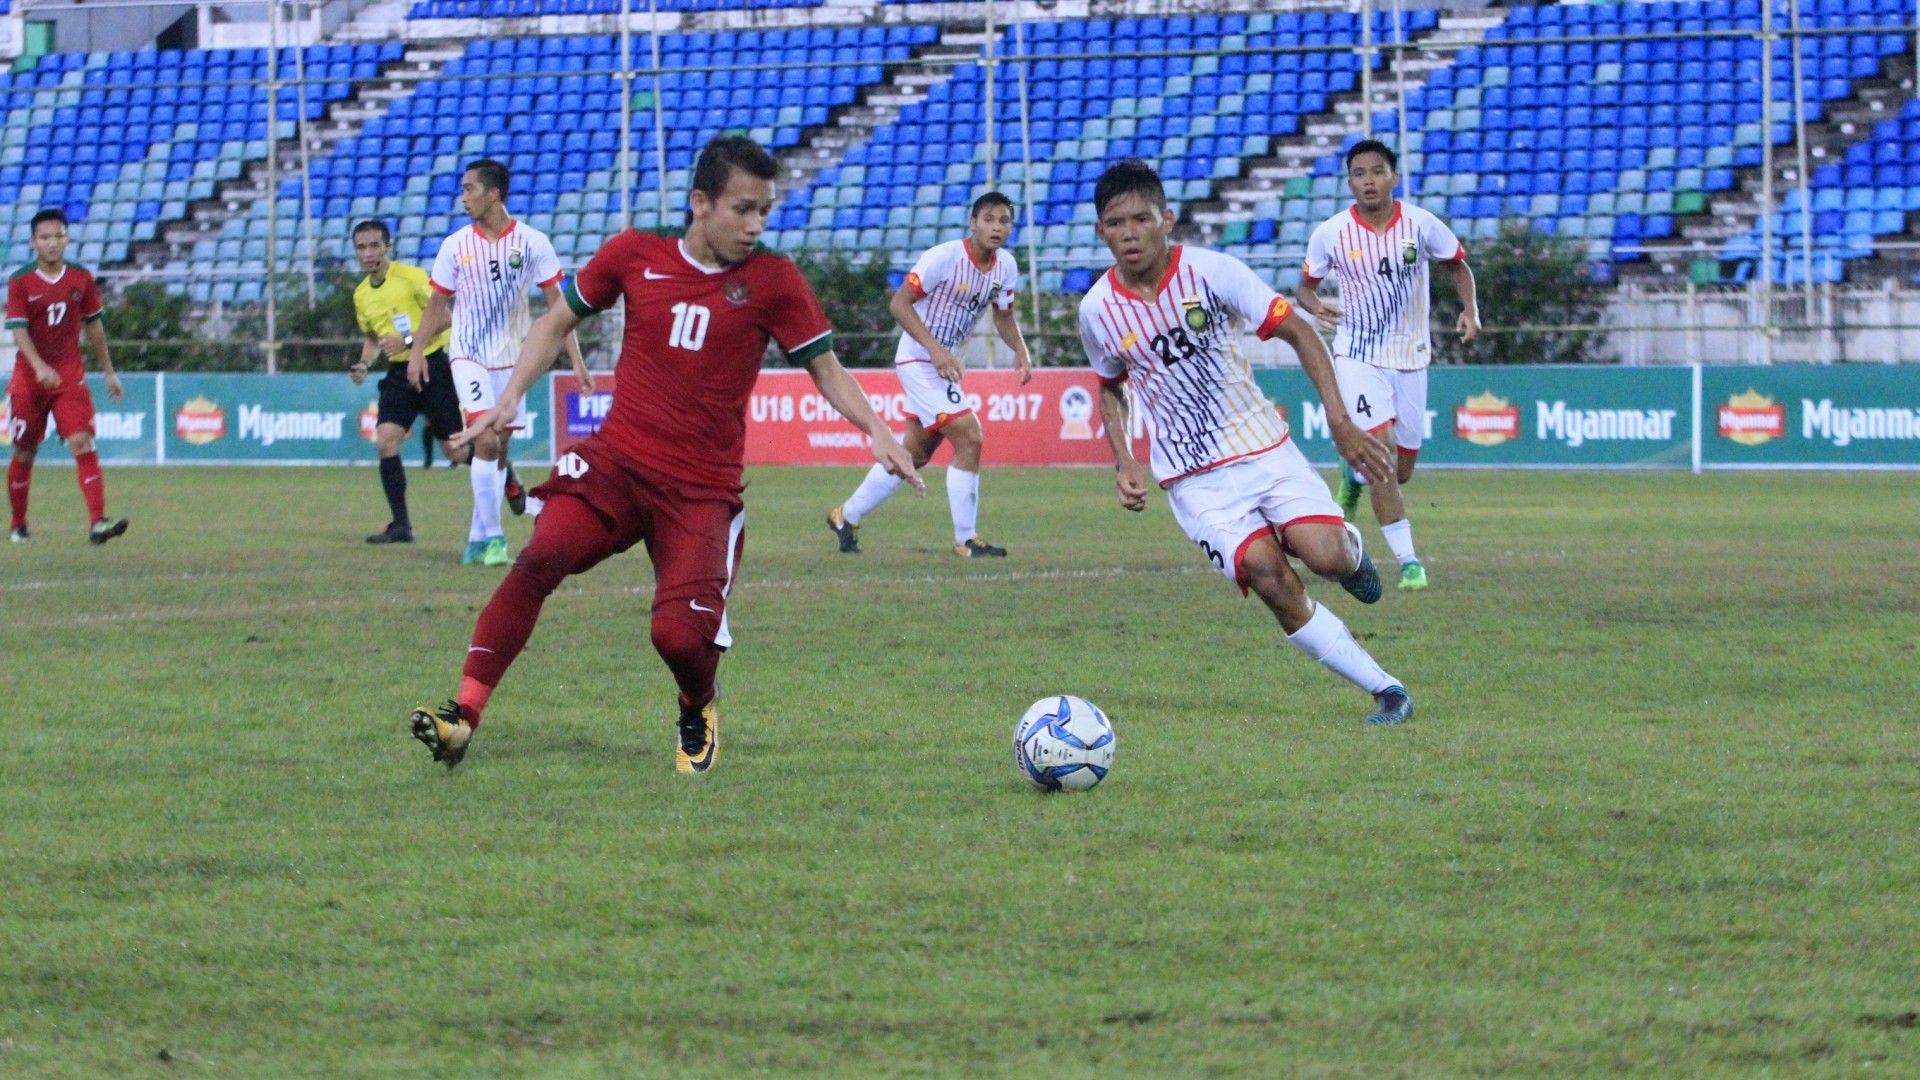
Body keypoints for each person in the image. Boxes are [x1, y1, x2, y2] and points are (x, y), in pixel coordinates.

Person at [407, 135, 924, 772]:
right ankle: (463, 714)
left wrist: (875, 427)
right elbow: (554, 321)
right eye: (744, 209)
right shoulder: (634, 254)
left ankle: (697, 701)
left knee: (676, 636)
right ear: (700, 203)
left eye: (765, 211)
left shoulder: (774, 281)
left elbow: (824, 367)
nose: (756, 226)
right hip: (617, 465)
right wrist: (510, 397)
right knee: (540, 555)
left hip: (700, 490)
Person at [1077, 160, 1412, 726]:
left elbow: (1300, 331)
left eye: (1141, 218)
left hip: (1261, 445)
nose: (1129, 232)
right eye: (1115, 222)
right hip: (1192, 477)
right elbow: (1110, 388)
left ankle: (1349, 550)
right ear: (1100, 231)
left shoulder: (1214, 272)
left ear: (1168, 221)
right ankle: (1387, 689)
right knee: (1270, 579)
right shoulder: (1096, 311)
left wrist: (1339, 420)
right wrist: (1124, 459)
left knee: (1325, 558)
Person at [1295, 139, 1480, 591]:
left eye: (1377, 172)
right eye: (1359, 174)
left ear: (1393, 177)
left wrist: (1470, 310)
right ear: (1350, 182)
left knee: (1400, 471)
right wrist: (1315, 305)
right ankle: (1409, 562)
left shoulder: (1420, 224)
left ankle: (1351, 478)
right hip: (1357, 355)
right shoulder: (1332, 232)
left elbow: (1457, 264)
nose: (1369, 181)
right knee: (1381, 451)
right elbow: (1304, 286)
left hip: (1412, 357)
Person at [405, 159, 596, 565]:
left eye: (470, 189)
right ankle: (494, 539)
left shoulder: (532, 243)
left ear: (494, 194)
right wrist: (418, 351)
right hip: (468, 353)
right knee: (486, 438)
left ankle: (477, 537)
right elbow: (437, 307)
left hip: (514, 359)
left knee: (500, 446)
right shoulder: (454, 245)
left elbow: (559, 308)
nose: (463, 197)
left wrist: (576, 361)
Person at [825, 192, 1032, 557]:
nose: (997, 227)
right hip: (919, 360)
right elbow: (898, 304)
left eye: (1004, 220)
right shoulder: (944, 257)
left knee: (915, 455)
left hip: (944, 365)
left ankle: (846, 515)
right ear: (973, 223)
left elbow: (1003, 315)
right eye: (989, 219)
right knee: (970, 436)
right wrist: (936, 350)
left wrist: (1020, 348)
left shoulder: (1005, 269)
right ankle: (966, 540)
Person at [6, 208, 128, 546]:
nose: (52, 243)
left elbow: (95, 327)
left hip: (70, 377)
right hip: (28, 381)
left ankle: (97, 523)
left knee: (82, 441)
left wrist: (108, 371)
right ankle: (18, 524)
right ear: (33, 242)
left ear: (67, 239)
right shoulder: (20, 282)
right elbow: (18, 331)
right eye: (44, 237)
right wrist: (39, 366)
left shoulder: (81, 279)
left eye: (58, 236)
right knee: (25, 451)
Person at [348, 219, 468, 544]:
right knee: (386, 440)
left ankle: (507, 477)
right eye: (361, 247)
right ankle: (401, 525)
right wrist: (363, 362)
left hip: (431, 366)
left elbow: (445, 317)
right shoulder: (362, 295)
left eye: (374, 245)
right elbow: (373, 339)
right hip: (399, 374)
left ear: (387, 246)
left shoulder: (411, 277)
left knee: (456, 451)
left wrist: (409, 340)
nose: (368, 253)